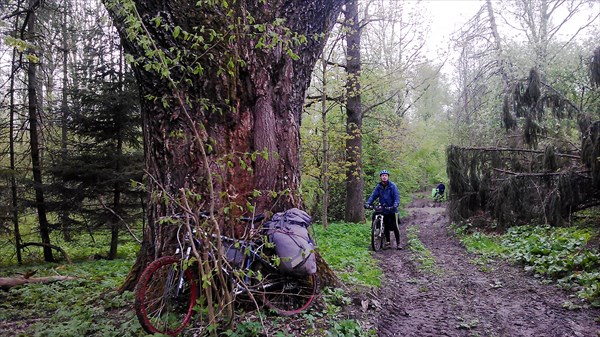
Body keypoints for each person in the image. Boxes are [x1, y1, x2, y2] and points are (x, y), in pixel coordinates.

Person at [365, 169, 401, 250]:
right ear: (380, 177)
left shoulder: (392, 186)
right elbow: (373, 196)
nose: (384, 177)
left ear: (388, 177)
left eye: (386, 176)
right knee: (385, 225)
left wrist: (395, 205)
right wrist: (368, 203)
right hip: (383, 208)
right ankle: (387, 242)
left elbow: (396, 197)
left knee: (395, 226)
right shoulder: (379, 186)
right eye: (383, 176)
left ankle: (398, 243)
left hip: (392, 209)